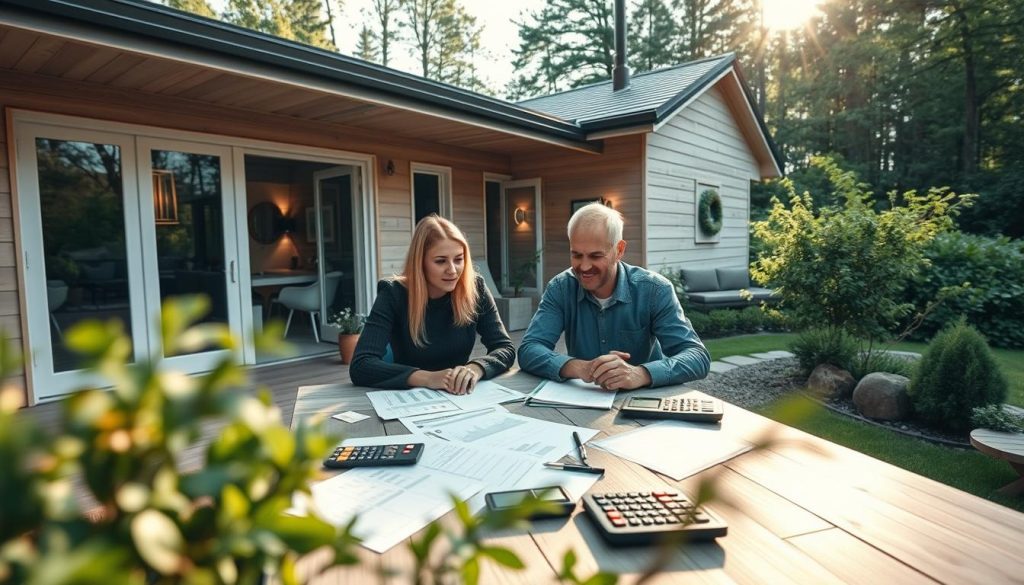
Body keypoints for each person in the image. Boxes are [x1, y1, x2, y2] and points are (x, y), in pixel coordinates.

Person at [518, 202, 710, 390]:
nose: (584, 267)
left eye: (595, 256)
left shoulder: (654, 290)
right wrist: (583, 367)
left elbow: (697, 357)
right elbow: (529, 349)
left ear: (619, 250)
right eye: (576, 255)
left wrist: (640, 374)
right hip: (584, 401)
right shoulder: (560, 288)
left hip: (644, 401)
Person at [350, 215, 515, 392]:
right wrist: (428, 378)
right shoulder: (393, 294)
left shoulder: (475, 288)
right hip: (408, 398)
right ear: (420, 262)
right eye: (440, 261)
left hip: (458, 396)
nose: (452, 270)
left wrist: (476, 368)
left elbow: (505, 348)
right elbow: (361, 365)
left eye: (459, 259)